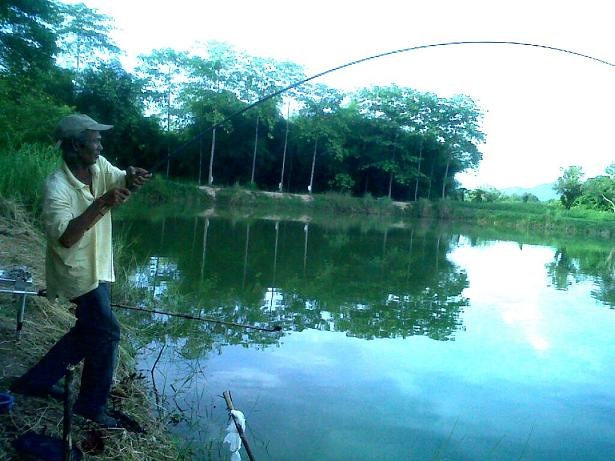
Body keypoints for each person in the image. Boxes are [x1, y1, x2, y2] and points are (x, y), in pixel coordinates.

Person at [10, 113, 151, 428]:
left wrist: (132, 178)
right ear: (75, 146)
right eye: (95, 140)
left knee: (89, 331)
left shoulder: (98, 166)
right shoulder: (56, 186)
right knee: (107, 331)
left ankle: (35, 382)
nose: (100, 145)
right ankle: (90, 406)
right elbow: (66, 236)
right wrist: (101, 203)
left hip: (99, 265)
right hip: (75, 271)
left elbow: (119, 180)